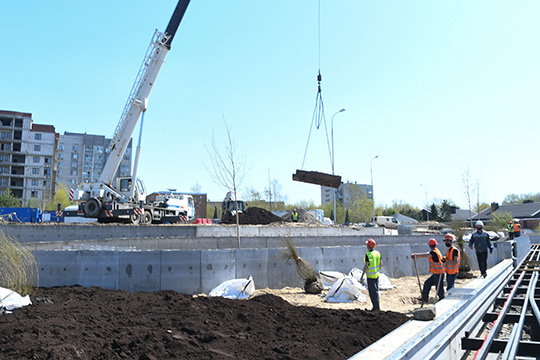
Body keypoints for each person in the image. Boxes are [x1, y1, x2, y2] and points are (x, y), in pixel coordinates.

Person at [412, 238, 445, 302]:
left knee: (439, 288)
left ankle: (442, 299)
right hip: (437, 273)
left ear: (429, 246)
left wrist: (415, 255)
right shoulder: (436, 251)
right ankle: (425, 298)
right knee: (427, 283)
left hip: (438, 274)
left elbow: (425, 255)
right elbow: (427, 254)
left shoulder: (434, 253)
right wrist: (416, 255)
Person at [360, 239, 381, 311]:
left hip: (370, 277)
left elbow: (366, 266)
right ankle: (376, 306)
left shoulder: (368, 255)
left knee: (373, 292)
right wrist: (377, 271)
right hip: (376, 275)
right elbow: (380, 264)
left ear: (368, 246)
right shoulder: (377, 253)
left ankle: (376, 307)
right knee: (376, 291)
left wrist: (362, 275)